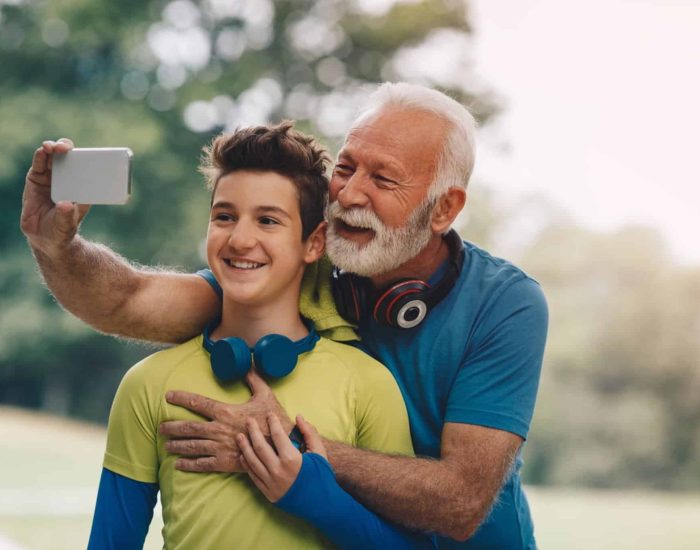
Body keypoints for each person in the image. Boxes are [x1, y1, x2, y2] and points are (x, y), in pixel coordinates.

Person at [22, 83, 548, 549]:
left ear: (443, 209)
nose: (349, 193)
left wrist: (279, 448)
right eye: (345, 167)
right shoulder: (293, 269)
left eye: (384, 180)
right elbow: (125, 300)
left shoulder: (507, 304)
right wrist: (56, 247)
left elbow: (461, 504)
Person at [83, 122, 434, 549]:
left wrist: (311, 493)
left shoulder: (368, 385)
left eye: (268, 220)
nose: (240, 239)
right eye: (224, 217)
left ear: (314, 243)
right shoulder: (147, 384)